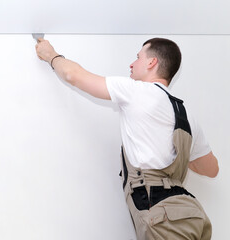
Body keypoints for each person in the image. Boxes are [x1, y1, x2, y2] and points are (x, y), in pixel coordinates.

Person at [35, 37, 219, 240]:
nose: (132, 64)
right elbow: (211, 169)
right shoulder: (186, 114)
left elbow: (72, 75)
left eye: (138, 57)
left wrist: (50, 55)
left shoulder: (137, 92)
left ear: (152, 62)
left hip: (163, 216)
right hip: (193, 214)